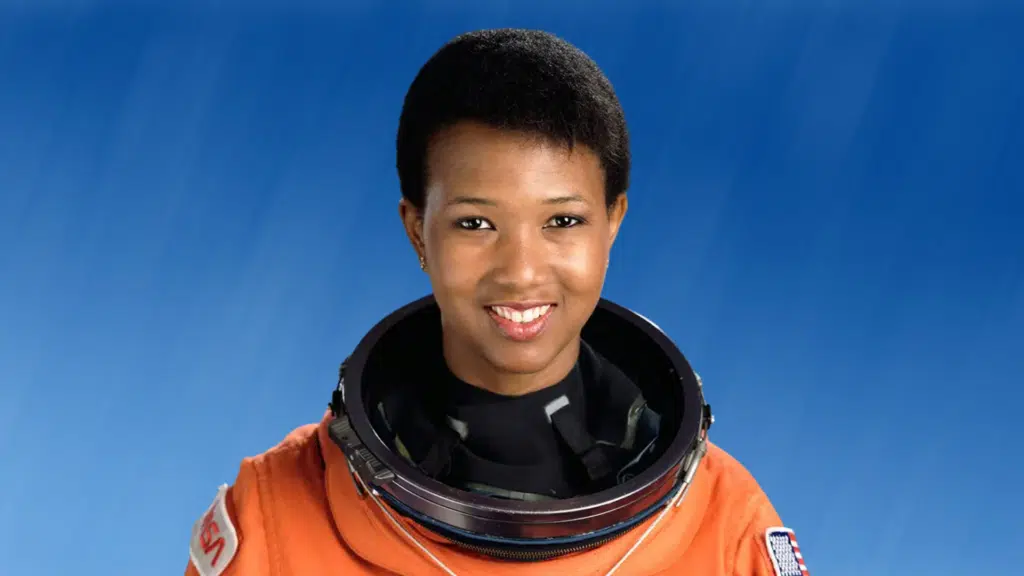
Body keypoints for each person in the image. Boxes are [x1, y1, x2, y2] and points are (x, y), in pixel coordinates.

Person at [185, 28, 810, 576]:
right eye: (475, 224)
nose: (521, 272)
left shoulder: (728, 526)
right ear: (417, 231)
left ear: (612, 222)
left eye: (562, 221)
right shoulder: (274, 515)